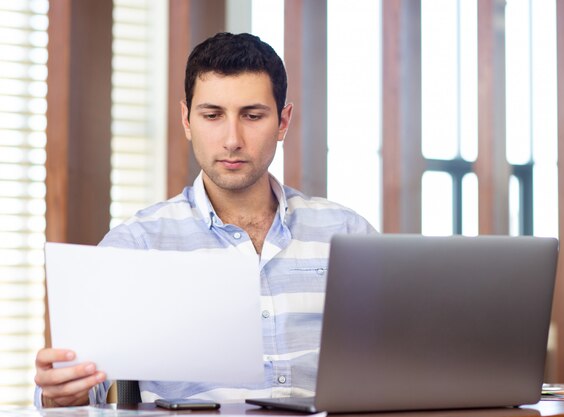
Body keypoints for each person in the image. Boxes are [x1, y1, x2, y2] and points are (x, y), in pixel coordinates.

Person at [34, 32, 376, 407]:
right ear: (186, 119)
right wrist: (59, 393)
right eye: (212, 115)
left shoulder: (347, 235)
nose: (232, 139)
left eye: (252, 115)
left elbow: (399, 360)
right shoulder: (139, 245)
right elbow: (74, 392)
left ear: (282, 121)